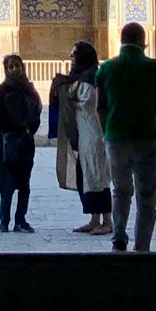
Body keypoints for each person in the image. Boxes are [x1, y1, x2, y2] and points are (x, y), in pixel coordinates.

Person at [95, 22, 156, 252]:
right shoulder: (155, 67)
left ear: (121, 40)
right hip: (146, 137)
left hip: (116, 138)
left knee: (120, 190)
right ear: (143, 40)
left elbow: (100, 106)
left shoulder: (106, 68)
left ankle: (118, 235)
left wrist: (106, 131)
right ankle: (142, 244)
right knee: (146, 195)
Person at [53, 41, 112, 234]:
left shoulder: (91, 78)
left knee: (97, 177)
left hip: (95, 136)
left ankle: (107, 221)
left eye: (74, 55)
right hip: (85, 136)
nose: (71, 59)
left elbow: (89, 103)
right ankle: (94, 219)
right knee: (87, 177)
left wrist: (71, 99)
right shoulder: (80, 78)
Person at [0, 53, 42, 233]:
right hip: (9, 141)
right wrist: (10, 127)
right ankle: (4, 221)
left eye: (17, 65)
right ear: (6, 70)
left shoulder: (29, 89)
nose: (14, 69)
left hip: (26, 141)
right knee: (8, 184)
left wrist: (29, 128)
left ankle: (21, 220)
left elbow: (37, 110)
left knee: (24, 184)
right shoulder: (2, 90)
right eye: (10, 67)